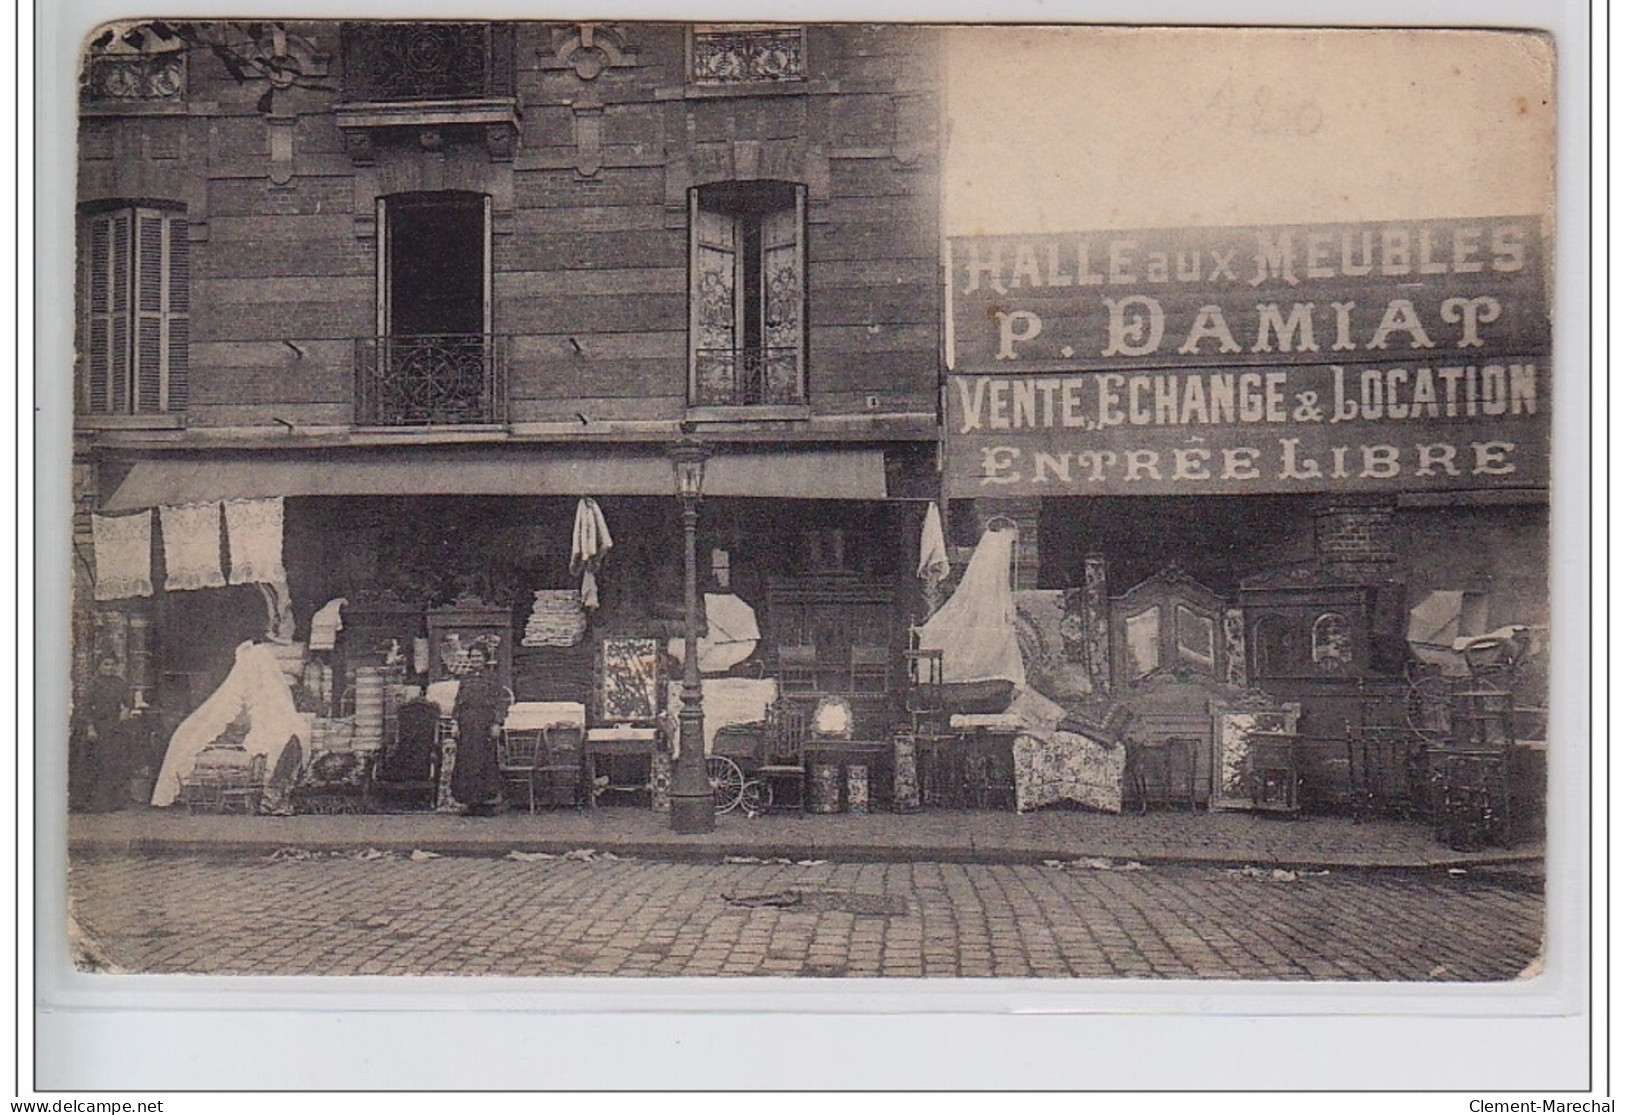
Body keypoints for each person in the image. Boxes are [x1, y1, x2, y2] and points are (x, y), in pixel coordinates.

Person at [449, 645, 511, 815]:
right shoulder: (465, 679)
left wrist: (497, 723)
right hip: (467, 724)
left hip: (485, 724)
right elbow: (458, 702)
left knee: (485, 761)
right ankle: (470, 803)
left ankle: (487, 803)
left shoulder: (493, 678)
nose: (476, 660)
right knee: (467, 762)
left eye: (479, 657)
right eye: (473, 657)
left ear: (485, 658)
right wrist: (454, 722)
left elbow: (500, 702)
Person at [72, 656, 131, 812]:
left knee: (113, 764)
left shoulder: (120, 683)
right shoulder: (94, 684)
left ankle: (112, 802)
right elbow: (85, 707)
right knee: (96, 764)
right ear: (99, 666)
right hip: (97, 728)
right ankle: (92, 803)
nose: (110, 668)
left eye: (113, 665)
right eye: (106, 664)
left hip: (115, 728)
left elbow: (128, 701)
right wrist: (90, 728)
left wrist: (126, 710)